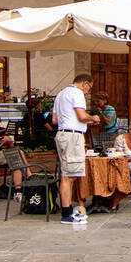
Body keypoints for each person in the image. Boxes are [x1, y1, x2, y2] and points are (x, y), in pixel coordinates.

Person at [53, 73, 99, 225]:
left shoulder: (60, 94)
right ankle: (66, 214)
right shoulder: (77, 93)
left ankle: (66, 211)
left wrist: (84, 122)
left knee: (67, 173)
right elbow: (81, 116)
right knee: (69, 176)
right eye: (89, 88)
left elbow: (55, 120)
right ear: (85, 83)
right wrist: (93, 118)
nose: (88, 92)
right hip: (72, 137)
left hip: (62, 134)